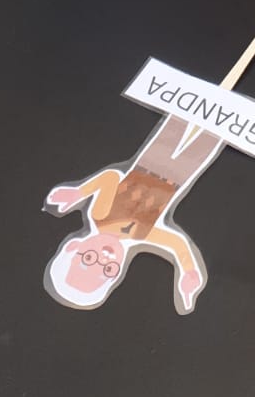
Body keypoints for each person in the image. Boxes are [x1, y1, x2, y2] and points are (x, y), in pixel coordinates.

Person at [44, 112, 223, 313]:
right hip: (181, 175)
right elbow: (177, 244)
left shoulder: (99, 216)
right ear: (118, 272)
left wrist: (79, 192)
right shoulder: (143, 235)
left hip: (150, 161)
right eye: (108, 269)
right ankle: (222, 113)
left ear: (74, 246)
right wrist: (188, 270)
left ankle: (196, 102)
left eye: (89, 258)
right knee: (213, 135)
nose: (104, 256)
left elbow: (110, 178)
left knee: (180, 120)